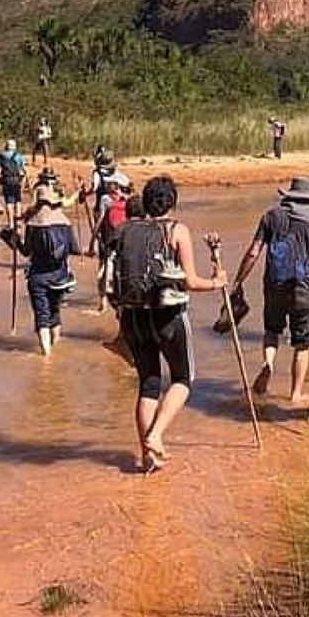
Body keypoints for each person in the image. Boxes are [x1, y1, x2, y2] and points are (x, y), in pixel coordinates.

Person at [106, 175, 226, 472]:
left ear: (146, 202)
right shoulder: (176, 230)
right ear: (172, 202)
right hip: (167, 316)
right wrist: (217, 282)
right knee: (183, 380)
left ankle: (148, 456)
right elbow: (191, 282)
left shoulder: (124, 230)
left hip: (132, 317)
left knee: (148, 384)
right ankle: (156, 436)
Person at [229, 177, 309, 403]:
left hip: (274, 285)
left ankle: (267, 364)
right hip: (304, 288)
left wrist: (238, 281)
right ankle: (296, 393)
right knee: (302, 343)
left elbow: (253, 252)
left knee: (272, 330)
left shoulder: (271, 217)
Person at [4, 185, 79, 355]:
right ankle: (55, 352)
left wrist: (13, 240)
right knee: (55, 312)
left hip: (38, 276)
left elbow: (26, 252)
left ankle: (46, 355)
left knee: (42, 316)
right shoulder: (65, 222)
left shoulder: (34, 224)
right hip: (61, 276)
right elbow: (75, 248)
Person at [90, 173, 129, 313]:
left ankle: (103, 304)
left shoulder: (106, 199)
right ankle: (113, 306)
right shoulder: (129, 201)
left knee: (103, 274)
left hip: (108, 242)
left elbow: (100, 220)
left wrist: (92, 240)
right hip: (123, 243)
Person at [0, 138, 27, 223]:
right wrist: (24, 180)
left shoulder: (1, 156)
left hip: (6, 181)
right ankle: (18, 221)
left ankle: (10, 223)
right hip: (17, 180)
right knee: (18, 200)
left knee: (9, 202)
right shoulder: (19, 156)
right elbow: (24, 170)